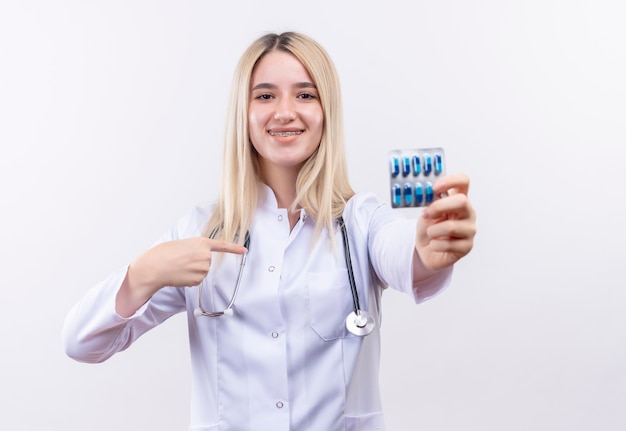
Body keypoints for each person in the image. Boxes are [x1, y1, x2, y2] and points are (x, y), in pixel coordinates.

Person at [63, 31, 477, 431]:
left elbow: (406, 254)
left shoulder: (361, 222)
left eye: (305, 94)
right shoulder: (199, 232)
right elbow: (83, 344)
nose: (284, 111)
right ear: (243, 113)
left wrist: (430, 246)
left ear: (326, 111)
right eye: (265, 95)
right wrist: (141, 275)